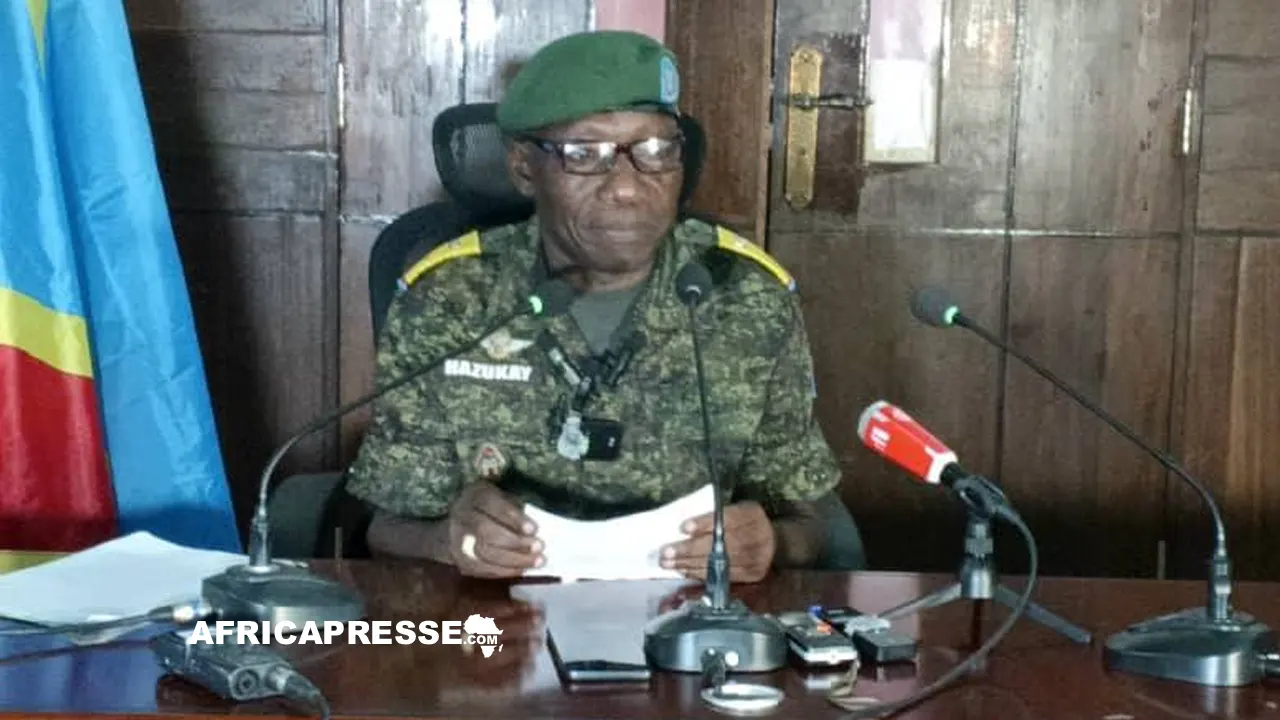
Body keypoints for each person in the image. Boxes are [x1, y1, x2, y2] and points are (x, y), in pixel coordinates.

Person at [344, 30, 842, 583]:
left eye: (656, 151)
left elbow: (812, 521)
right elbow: (386, 525)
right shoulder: (447, 297)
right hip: (498, 619)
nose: (627, 187)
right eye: (585, 155)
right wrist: (445, 540)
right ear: (524, 168)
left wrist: (770, 542)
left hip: (693, 617)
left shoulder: (747, 296)